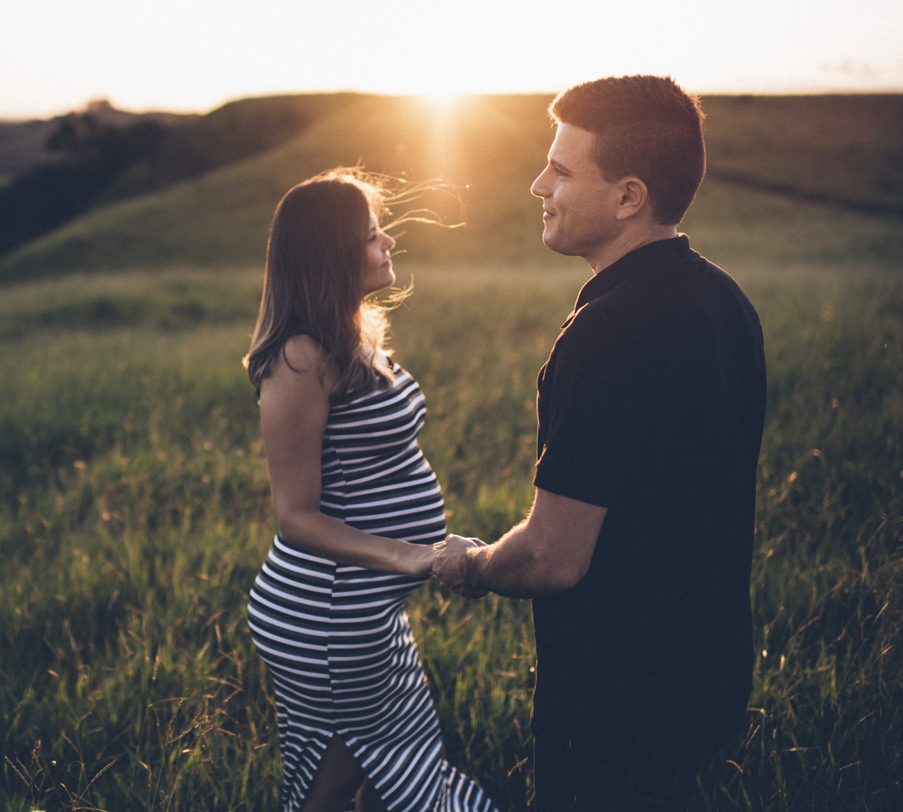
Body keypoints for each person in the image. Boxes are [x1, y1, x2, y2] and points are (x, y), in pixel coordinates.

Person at [433, 75, 767, 811]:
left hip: (617, 700)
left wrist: (472, 565)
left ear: (628, 197)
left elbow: (554, 557)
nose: (536, 185)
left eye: (561, 169)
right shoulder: (725, 301)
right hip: (706, 673)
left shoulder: (608, 335)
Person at [244, 170, 497, 812]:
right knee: (338, 780)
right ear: (329, 254)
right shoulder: (299, 359)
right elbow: (295, 517)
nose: (388, 245)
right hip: (324, 611)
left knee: (379, 769)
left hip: (360, 609)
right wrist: (413, 555)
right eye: (371, 236)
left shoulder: (353, 337)